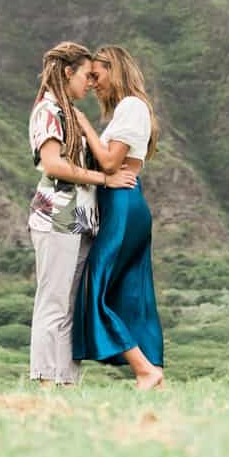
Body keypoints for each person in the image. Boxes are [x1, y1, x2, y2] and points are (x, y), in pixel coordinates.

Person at [27, 41, 137, 386]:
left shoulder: (68, 113)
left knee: (70, 306)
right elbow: (53, 164)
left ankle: (65, 381)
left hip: (79, 221)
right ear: (67, 73)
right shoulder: (49, 112)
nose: (90, 83)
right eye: (86, 75)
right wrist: (105, 178)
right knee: (53, 302)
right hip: (58, 216)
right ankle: (46, 381)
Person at [71, 44, 165, 390]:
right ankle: (154, 373)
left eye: (97, 75)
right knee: (129, 293)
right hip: (122, 203)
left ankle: (145, 370)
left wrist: (83, 125)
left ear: (116, 69)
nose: (93, 83)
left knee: (95, 288)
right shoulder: (128, 110)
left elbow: (111, 164)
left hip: (122, 204)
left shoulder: (131, 106)